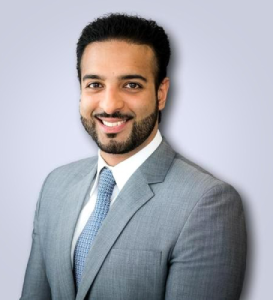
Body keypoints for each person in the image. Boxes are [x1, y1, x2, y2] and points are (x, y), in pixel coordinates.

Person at [20, 13, 247, 300]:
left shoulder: (207, 202)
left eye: (131, 85)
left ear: (161, 94)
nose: (110, 104)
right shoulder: (55, 185)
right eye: (95, 84)